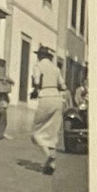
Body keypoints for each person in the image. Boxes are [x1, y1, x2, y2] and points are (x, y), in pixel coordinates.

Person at [30, 45, 67, 175]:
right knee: (52, 133)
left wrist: (35, 89)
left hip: (45, 98)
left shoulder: (38, 66)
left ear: (40, 55)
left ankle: (49, 156)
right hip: (57, 99)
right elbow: (63, 85)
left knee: (36, 132)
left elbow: (36, 81)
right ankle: (51, 165)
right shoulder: (56, 68)